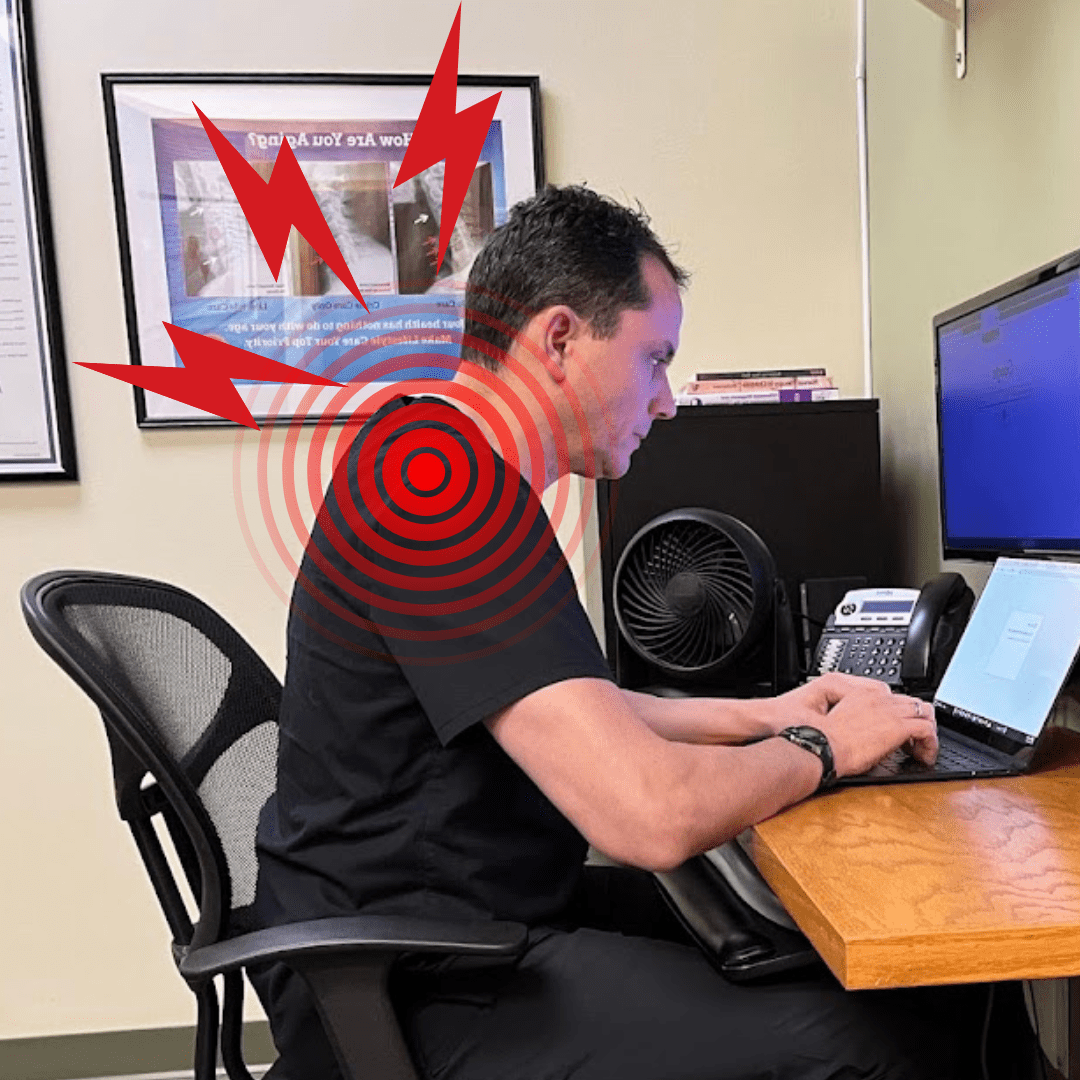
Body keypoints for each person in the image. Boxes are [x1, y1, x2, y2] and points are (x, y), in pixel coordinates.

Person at [249, 185, 1040, 1079]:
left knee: (929, 982)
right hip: (415, 977)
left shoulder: (437, 463)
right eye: (654, 359)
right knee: (863, 1045)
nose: (664, 401)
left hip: (453, 920)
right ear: (558, 339)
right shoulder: (444, 495)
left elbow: (574, 709)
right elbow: (649, 816)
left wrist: (767, 714)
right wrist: (825, 748)